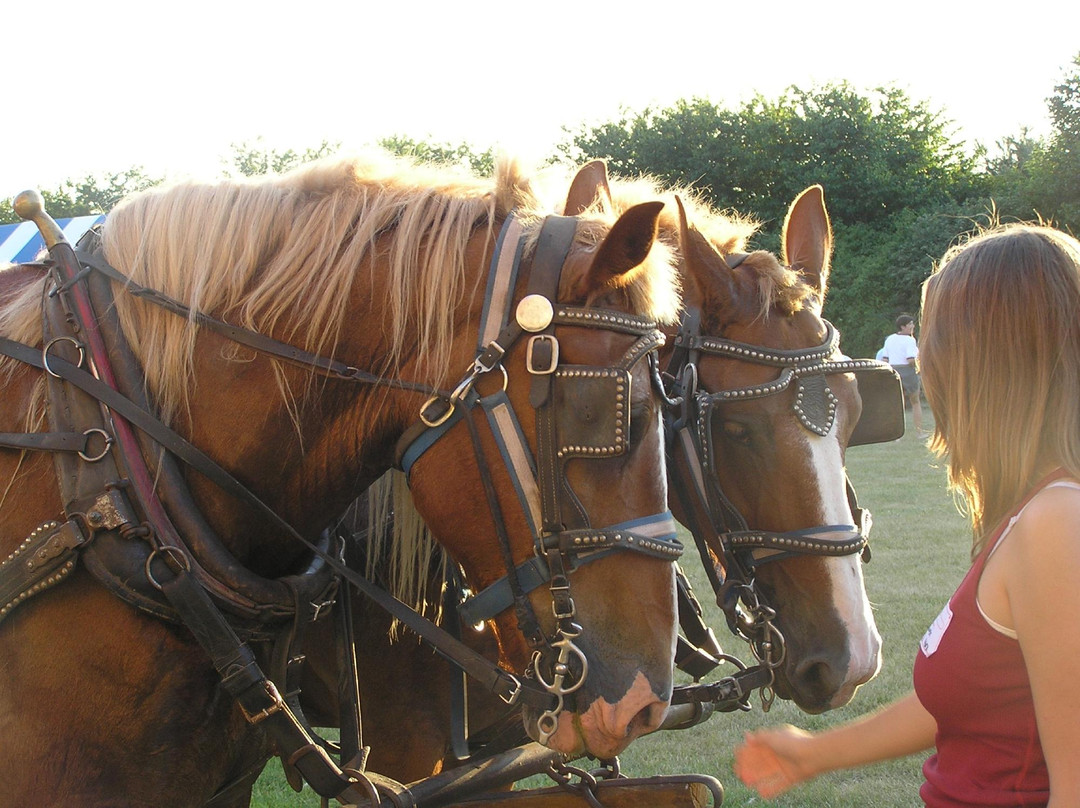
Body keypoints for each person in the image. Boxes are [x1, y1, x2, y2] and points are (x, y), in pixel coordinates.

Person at [733, 224, 1080, 807]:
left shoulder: (1056, 525)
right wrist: (815, 754)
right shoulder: (1029, 514)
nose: (927, 364)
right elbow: (974, 696)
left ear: (991, 360)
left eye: (939, 342)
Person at [881, 313, 925, 434]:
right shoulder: (910, 340)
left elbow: (885, 359)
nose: (913, 326)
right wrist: (919, 367)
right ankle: (919, 431)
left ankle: (896, 435)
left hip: (893, 370)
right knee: (915, 401)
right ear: (903, 327)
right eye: (910, 324)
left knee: (897, 404)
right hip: (908, 371)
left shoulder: (889, 339)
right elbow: (911, 360)